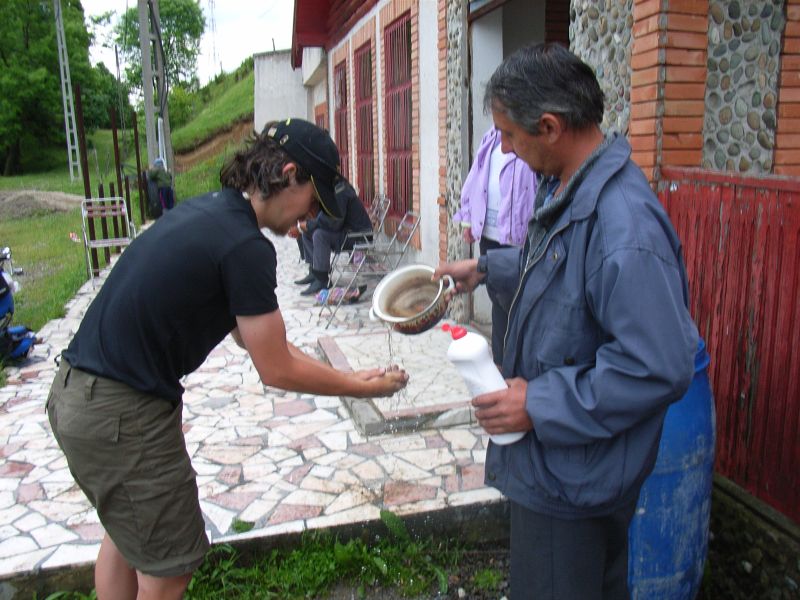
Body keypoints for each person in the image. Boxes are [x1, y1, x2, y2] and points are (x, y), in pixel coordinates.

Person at [46, 118, 408, 600]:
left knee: (128, 536)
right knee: (169, 568)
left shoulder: (212, 212)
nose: (313, 218)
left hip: (77, 396)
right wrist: (362, 389)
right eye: (314, 200)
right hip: (121, 412)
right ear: (289, 173)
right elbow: (275, 369)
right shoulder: (245, 246)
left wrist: (345, 374)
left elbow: (259, 342)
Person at [434, 43, 699, 600]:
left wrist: (538, 403)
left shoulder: (623, 224)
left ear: (549, 127)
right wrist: (484, 269)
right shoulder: (571, 188)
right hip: (565, 464)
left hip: (574, 478)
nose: (503, 148)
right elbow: (561, 272)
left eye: (508, 134)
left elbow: (660, 365)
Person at [453, 126, 536, 362]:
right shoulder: (490, 137)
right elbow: (476, 178)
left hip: (519, 237)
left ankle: (515, 365)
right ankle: (501, 363)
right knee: (498, 298)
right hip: (490, 234)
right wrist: (469, 218)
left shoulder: (528, 136)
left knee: (516, 303)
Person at [291, 179, 373, 296]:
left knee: (320, 235)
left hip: (358, 236)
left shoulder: (341, 191)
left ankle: (322, 279)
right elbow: (326, 216)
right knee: (308, 233)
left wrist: (309, 224)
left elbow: (334, 222)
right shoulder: (332, 190)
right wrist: (307, 226)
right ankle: (314, 272)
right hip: (346, 232)